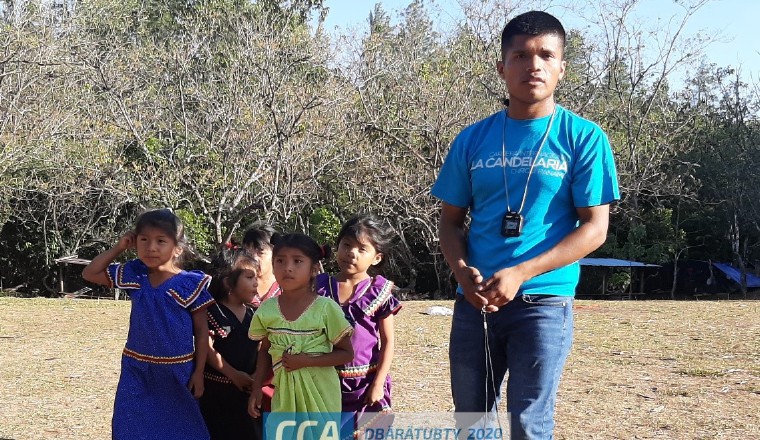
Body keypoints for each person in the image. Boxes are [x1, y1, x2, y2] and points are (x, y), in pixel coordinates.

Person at [431, 10, 619, 440]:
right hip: (474, 304)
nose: (533, 65)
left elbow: (595, 228)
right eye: (520, 55)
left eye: (545, 55)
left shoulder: (584, 138)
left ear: (561, 68)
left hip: (544, 305)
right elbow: (450, 222)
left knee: (529, 424)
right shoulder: (472, 139)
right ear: (502, 67)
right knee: (471, 422)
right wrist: (463, 274)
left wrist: (521, 273)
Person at [82, 209, 214, 440]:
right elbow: (90, 273)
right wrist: (119, 247)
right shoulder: (135, 275)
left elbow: (202, 333)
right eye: (144, 240)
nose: (151, 247)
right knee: (132, 427)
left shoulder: (189, 284)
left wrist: (199, 373)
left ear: (178, 248)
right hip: (137, 369)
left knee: (182, 428)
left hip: (178, 371)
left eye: (161, 241)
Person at [247, 233, 354, 419]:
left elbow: (346, 353)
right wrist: (257, 388)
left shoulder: (325, 308)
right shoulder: (267, 309)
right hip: (284, 397)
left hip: (321, 398)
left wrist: (306, 361)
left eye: (297, 261)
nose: (287, 268)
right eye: (280, 261)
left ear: (313, 269)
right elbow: (264, 349)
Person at [316, 214, 402, 435]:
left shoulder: (378, 291)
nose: (351, 253)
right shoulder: (319, 288)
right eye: (346, 245)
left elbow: (388, 341)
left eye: (362, 249)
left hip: (365, 382)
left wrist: (378, 383)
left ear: (376, 257)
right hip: (325, 382)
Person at [200, 246, 262, 440]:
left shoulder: (255, 315)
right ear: (228, 283)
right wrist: (233, 375)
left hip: (247, 396)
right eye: (250, 278)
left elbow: (262, 348)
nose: (256, 284)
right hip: (216, 395)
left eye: (256, 278)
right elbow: (206, 348)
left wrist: (255, 377)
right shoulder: (211, 312)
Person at [242, 224, 280, 306]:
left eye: (260, 253)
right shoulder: (237, 286)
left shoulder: (287, 287)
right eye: (249, 254)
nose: (254, 258)